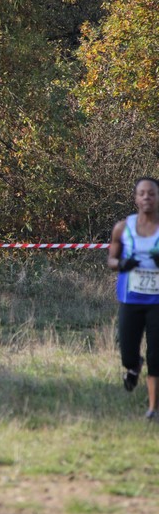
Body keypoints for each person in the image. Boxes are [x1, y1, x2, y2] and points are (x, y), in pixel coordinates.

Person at [108, 177, 159, 421]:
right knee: (128, 353)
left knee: (156, 356)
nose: (147, 197)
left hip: (157, 303)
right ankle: (134, 366)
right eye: (142, 193)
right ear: (136, 198)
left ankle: (152, 409)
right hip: (131, 299)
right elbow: (111, 260)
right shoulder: (122, 228)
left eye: (152, 193)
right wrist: (122, 264)